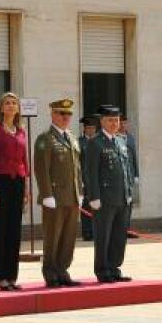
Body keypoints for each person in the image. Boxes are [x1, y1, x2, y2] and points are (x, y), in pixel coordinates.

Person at [33, 99, 84, 288]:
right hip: (54, 196)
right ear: (53, 114)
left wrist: (80, 191)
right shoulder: (45, 139)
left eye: (68, 114)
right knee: (53, 236)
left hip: (71, 196)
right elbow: (41, 169)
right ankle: (50, 272)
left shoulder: (71, 137)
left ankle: (63, 270)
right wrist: (46, 194)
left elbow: (77, 168)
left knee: (69, 236)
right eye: (62, 114)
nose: (65, 118)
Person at [85, 105, 135, 281]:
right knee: (103, 235)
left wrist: (129, 191)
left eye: (117, 120)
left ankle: (114, 268)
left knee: (119, 236)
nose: (114, 123)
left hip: (122, 197)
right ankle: (102, 270)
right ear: (102, 121)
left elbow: (126, 168)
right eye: (110, 120)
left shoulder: (121, 141)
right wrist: (94, 196)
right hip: (104, 199)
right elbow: (91, 173)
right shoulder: (95, 143)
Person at [0, 93, 28, 291]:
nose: (11, 106)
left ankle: (11, 276)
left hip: (17, 182)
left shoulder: (21, 131)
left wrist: (26, 187)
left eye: (14, 103)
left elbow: (24, 162)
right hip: (0, 182)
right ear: (1, 108)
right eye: (7, 103)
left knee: (14, 231)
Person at [78, 114, 99, 241]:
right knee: (86, 207)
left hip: (96, 180)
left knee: (96, 207)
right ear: (84, 129)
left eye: (93, 128)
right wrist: (80, 180)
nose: (91, 130)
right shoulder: (79, 142)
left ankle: (96, 231)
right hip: (85, 180)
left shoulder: (98, 142)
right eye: (89, 128)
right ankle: (87, 232)